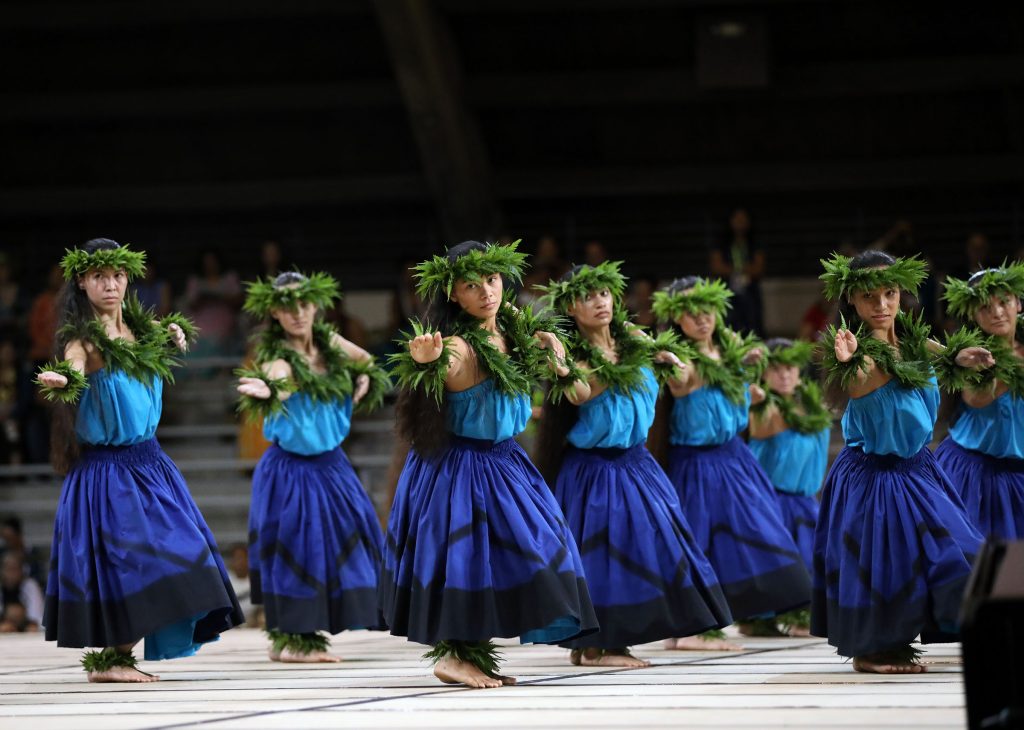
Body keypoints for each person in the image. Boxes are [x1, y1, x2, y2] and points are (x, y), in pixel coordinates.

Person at [381, 240, 598, 689]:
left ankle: (471, 654)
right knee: (465, 556)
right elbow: (440, 367)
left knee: (533, 548)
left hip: (505, 461)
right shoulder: (458, 346)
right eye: (471, 286)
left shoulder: (515, 332)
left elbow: (571, 385)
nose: (486, 292)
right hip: (461, 466)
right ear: (452, 294)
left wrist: (557, 358)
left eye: (493, 280)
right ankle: (454, 655)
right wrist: (427, 363)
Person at [35, 238, 243, 682]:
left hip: (151, 464)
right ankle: (114, 659)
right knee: (128, 565)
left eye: (117, 276)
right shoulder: (82, 339)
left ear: (128, 278)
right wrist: (64, 379)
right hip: (108, 471)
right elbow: (73, 364)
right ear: (82, 281)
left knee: (185, 554)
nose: (109, 285)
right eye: (98, 277)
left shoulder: (143, 330)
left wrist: (173, 336)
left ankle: (116, 657)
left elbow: (156, 356)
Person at [535, 262, 731, 666]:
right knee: (604, 555)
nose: (599, 302)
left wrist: (664, 358)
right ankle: (600, 645)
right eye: (587, 297)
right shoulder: (576, 357)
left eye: (604, 293)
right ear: (570, 308)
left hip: (637, 462)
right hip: (597, 468)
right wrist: (562, 362)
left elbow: (675, 374)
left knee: (653, 546)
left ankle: (602, 643)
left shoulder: (635, 339)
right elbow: (578, 392)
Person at [814, 250, 988, 673]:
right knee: (882, 567)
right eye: (869, 296)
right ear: (851, 299)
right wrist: (849, 361)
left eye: (889, 293)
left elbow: (939, 354)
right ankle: (871, 652)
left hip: (918, 468)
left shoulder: (912, 340)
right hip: (873, 474)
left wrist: (960, 357)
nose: (882, 305)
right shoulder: (855, 351)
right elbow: (856, 380)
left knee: (962, 555)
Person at [236, 270, 392, 662]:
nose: (297, 313)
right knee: (297, 549)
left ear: (315, 305)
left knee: (350, 544)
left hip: (333, 465)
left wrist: (364, 377)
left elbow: (366, 360)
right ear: (274, 312)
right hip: (291, 470)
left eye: (304, 304)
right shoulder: (276, 357)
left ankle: (300, 632)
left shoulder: (331, 344)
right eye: (287, 307)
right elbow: (280, 377)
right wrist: (270, 390)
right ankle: (293, 637)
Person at [650, 276, 812, 645]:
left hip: (736, 458)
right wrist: (666, 360)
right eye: (689, 311)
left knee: (757, 534)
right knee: (700, 540)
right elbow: (678, 376)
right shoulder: (683, 361)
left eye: (706, 307)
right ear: (675, 318)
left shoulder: (731, 349)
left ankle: (757, 614)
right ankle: (692, 626)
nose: (701, 317)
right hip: (697, 463)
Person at [748, 338, 833, 636]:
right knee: (780, 561)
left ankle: (801, 615)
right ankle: (763, 618)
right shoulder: (761, 406)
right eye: (775, 369)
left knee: (810, 558)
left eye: (790, 368)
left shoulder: (812, 406)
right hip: (771, 500)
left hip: (805, 498)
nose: (784, 375)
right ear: (763, 373)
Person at [934, 263, 1024, 540]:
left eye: (1004, 302)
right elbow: (977, 397)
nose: (997, 312)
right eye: (985, 307)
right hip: (976, 475)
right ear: (973, 315)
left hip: (1018, 473)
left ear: (1018, 303)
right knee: (983, 559)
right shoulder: (970, 356)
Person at [709, 208, 765, 336]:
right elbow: (717, 266)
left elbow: (759, 267)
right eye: (737, 219)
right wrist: (738, 271)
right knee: (728, 321)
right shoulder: (721, 242)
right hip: (726, 288)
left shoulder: (754, 242)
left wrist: (740, 271)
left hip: (750, 289)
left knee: (753, 323)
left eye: (743, 219)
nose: (740, 223)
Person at [0, 552, 43, 632]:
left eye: (15, 569)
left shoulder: (30, 585)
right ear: (2, 570)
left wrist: (32, 625)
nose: (11, 573)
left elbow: (38, 617)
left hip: (26, 628)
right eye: (8, 569)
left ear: (22, 570)